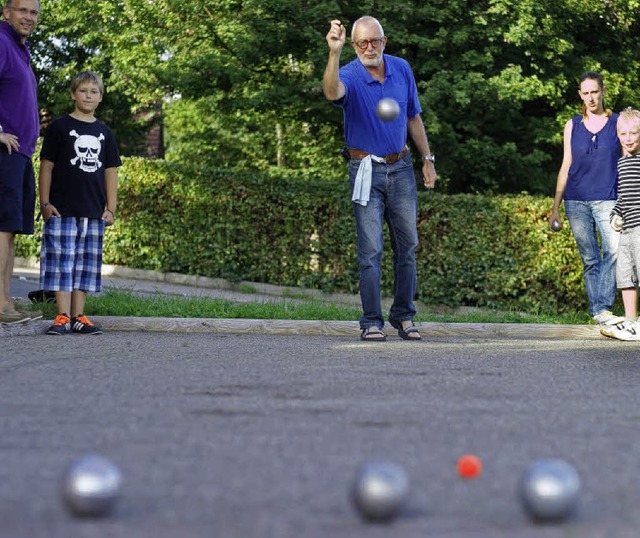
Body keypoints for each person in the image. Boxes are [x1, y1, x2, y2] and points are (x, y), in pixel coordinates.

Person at [323, 16, 436, 341]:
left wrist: (427, 159)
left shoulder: (401, 69)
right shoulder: (349, 74)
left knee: (408, 245)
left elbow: (413, 116)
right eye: (361, 43)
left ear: (384, 42)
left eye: (374, 41)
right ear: (354, 45)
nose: (368, 48)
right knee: (370, 250)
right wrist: (334, 52)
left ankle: (403, 316)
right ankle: (371, 320)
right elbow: (332, 93)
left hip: (401, 168)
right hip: (365, 170)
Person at [39, 71, 121, 335]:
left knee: (86, 265)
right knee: (62, 263)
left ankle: (79, 316)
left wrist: (111, 208)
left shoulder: (105, 133)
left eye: (94, 92)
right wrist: (44, 203)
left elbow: (110, 172)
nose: (88, 95)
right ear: (74, 94)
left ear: (100, 98)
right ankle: (62, 316)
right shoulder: (59, 127)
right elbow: (46, 167)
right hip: (61, 210)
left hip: (94, 212)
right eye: (83, 91)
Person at [548, 72, 624, 326]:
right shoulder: (573, 124)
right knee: (589, 257)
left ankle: (602, 307)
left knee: (613, 250)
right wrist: (555, 207)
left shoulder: (618, 122)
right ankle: (597, 312)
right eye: (585, 93)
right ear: (580, 95)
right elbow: (565, 164)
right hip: (576, 199)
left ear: (603, 91)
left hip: (608, 198)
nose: (590, 97)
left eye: (594, 92)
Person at [0, 0, 40, 324]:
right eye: (22, 10)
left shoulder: (20, 51)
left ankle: (6, 301)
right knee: (1, 228)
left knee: (9, 230)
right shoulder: (0, 42)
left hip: (21, 153)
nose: (29, 17)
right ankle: (0, 305)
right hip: (5, 152)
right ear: (6, 12)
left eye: (34, 12)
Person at [600, 108, 640, 341]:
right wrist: (616, 213)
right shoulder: (622, 163)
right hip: (627, 230)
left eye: (633, 133)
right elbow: (623, 196)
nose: (628, 138)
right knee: (625, 276)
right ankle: (630, 323)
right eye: (623, 134)